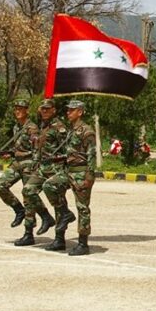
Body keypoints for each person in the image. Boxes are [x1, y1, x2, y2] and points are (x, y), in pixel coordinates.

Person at [13, 99, 64, 247]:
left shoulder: (59, 127)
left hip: (56, 169)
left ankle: (59, 238)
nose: (44, 111)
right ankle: (46, 218)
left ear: (54, 110)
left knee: (59, 203)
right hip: (42, 168)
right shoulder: (43, 126)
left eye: (48, 109)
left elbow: (66, 149)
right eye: (42, 109)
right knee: (28, 191)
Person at [56, 100, 96, 256]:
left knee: (82, 207)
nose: (68, 113)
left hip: (81, 172)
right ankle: (65, 213)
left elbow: (91, 154)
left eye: (71, 110)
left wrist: (89, 176)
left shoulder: (87, 131)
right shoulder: (71, 130)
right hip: (68, 171)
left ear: (80, 112)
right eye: (67, 110)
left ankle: (83, 243)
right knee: (50, 186)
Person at [0, 99, 39, 227]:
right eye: (16, 109)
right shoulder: (16, 127)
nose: (17, 111)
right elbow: (19, 147)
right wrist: (11, 153)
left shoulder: (32, 128)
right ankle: (18, 210)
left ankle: (29, 230)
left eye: (20, 109)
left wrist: (35, 166)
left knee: (28, 197)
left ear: (27, 111)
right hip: (17, 163)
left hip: (28, 164)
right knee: (0, 186)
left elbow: (36, 149)